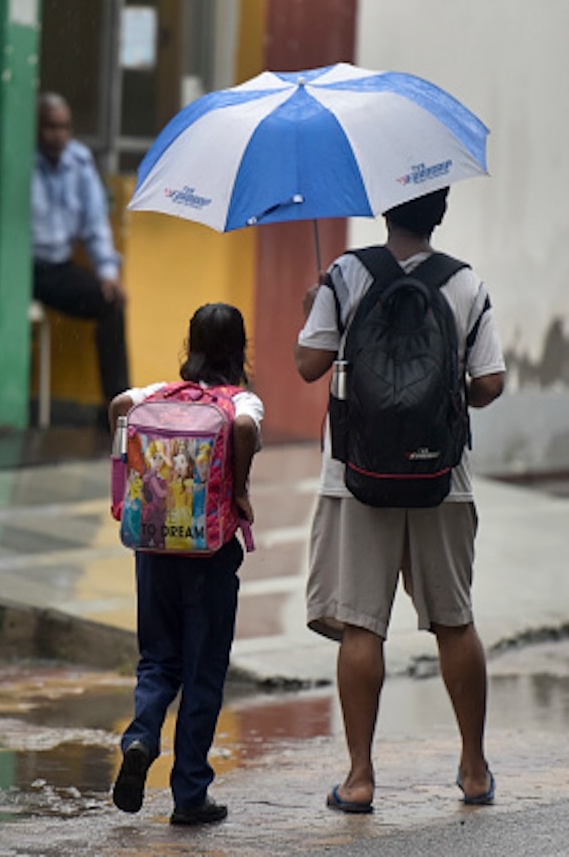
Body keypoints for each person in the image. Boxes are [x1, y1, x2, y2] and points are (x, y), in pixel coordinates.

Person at [293, 188, 505, 813]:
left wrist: (316, 310)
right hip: (444, 477)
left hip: (355, 474)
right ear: (440, 215)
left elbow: (309, 366)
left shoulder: (347, 274)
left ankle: (359, 778)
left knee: (362, 624)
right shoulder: (465, 283)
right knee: (454, 619)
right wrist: (437, 399)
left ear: (384, 211)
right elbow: (489, 382)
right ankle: (472, 769)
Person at [109, 303, 263, 826]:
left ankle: (140, 738)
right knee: (203, 671)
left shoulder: (157, 394)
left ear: (190, 345)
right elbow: (243, 426)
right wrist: (239, 489)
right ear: (239, 349)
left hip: (153, 548)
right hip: (210, 553)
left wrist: (123, 468)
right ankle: (190, 794)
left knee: (157, 659)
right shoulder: (240, 399)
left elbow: (119, 405)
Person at [32, 91, 130, 413]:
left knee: (111, 303)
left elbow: (95, 225)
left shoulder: (79, 161)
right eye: (50, 127)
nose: (58, 135)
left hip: (57, 267)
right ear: (35, 127)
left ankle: (116, 406)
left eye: (64, 127)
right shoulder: (22, 160)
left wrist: (107, 274)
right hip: (20, 265)